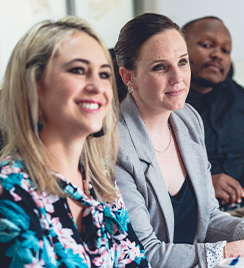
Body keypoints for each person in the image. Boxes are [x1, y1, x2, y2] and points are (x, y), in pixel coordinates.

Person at [114, 13, 244, 268]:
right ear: (128, 77)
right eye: (160, 67)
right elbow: (146, 254)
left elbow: (209, 218)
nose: (178, 77)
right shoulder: (115, 145)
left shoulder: (187, 120)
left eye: (182, 62)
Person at [0, 17, 149, 267]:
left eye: (104, 74)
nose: (97, 86)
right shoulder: (10, 194)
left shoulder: (101, 182)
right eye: (78, 70)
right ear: (34, 86)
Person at [182, 16, 244, 210]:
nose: (217, 55)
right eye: (206, 45)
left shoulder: (234, 93)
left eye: (225, 50)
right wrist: (203, 183)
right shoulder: (167, 100)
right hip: (199, 212)